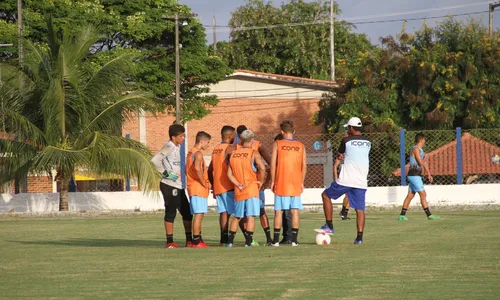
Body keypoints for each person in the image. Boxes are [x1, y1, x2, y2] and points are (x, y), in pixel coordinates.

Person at [315, 117, 371, 245]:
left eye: (348, 128)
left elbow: (340, 153)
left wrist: (342, 150)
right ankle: (359, 238)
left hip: (346, 179)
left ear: (351, 128)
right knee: (360, 210)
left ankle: (329, 225)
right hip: (361, 181)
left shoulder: (346, 140)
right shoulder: (368, 142)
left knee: (325, 195)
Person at [151, 124, 193, 248]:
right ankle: (170, 241)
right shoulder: (168, 146)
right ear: (173, 137)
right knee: (171, 212)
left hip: (179, 185)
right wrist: (166, 174)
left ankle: (189, 240)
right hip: (169, 185)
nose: (183, 138)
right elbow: (155, 160)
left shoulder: (178, 147)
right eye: (181, 136)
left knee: (187, 211)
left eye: (183, 135)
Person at [234, 125, 273, 246]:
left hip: (254, 186)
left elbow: (270, 163)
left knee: (260, 212)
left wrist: (265, 182)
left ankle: (269, 239)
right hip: (242, 186)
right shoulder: (235, 148)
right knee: (242, 215)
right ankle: (249, 239)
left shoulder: (257, 145)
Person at [226, 130, 266, 247]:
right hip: (251, 188)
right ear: (252, 140)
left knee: (237, 216)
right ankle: (248, 242)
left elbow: (229, 174)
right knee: (250, 216)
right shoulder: (253, 153)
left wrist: (237, 184)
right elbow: (262, 169)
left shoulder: (234, 153)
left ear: (241, 140)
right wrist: (261, 182)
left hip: (239, 190)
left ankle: (230, 242)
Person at [270, 121, 307, 247]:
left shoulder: (278, 144)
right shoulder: (301, 145)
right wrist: (301, 182)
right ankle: (294, 240)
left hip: (281, 182)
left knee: (279, 211)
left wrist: (273, 181)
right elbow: (304, 165)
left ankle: (275, 241)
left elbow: (273, 164)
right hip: (295, 183)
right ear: (294, 131)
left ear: (281, 132)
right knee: (295, 211)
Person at [398, 133, 440, 221]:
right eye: (424, 140)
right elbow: (421, 162)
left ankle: (402, 215)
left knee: (410, 195)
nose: (425, 141)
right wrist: (425, 158)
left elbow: (424, 163)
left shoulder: (421, 150)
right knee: (423, 193)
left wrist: (429, 173)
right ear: (421, 140)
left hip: (416, 175)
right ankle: (429, 215)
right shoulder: (415, 149)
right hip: (414, 175)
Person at [208, 126, 236, 246]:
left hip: (218, 186)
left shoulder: (216, 149)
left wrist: (213, 185)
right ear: (230, 136)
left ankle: (223, 240)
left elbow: (210, 170)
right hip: (228, 185)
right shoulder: (229, 149)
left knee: (223, 213)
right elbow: (234, 167)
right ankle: (247, 238)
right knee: (238, 213)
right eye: (234, 136)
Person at [186, 131, 212, 248]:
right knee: (199, 214)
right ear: (201, 141)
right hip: (197, 187)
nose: (208, 145)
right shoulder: (198, 154)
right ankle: (196, 241)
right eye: (208, 142)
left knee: (199, 213)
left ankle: (198, 239)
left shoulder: (190, 153)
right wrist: (204, 183)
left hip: (192, 186)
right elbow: (197, 169)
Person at [274, 133, 292, 244]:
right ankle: (287, 237)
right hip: (287, 185)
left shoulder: (283, 157)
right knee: (286, 212)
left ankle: (288, 237)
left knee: (286, 212)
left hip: (285, 186)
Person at [334, 131, 351, 221]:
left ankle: (344, 212)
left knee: (350, 194)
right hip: (344, 174)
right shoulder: (341, 152)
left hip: (351, 173)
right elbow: (336, 165)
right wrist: (336, 176)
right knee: (348, 194)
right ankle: (344, 211)